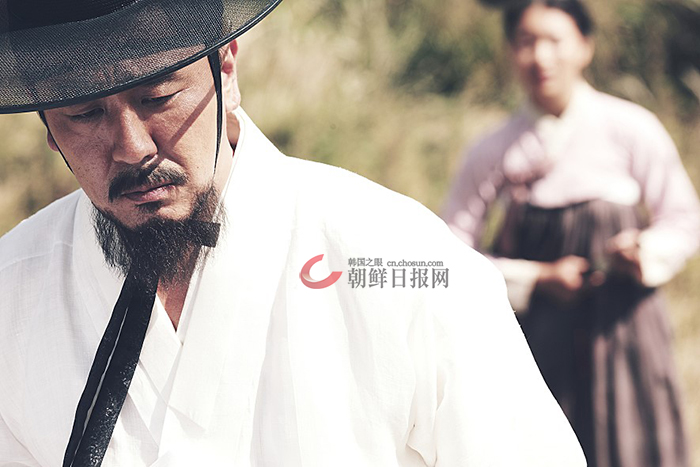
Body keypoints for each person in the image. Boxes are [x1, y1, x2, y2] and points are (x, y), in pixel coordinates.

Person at [0, 0, 587, 465]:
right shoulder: (13, 294)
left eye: (158, 96)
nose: (131, 147)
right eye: (84, 114)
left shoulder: (399, 255)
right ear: (48, 125)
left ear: (226, 70)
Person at [442, 1, 700, 466]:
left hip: (627, 335)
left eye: (555, 41)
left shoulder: (630, 128)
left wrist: (644, 251)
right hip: (536, 346)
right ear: (510, 51)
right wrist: (537, 278)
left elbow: (683, 218)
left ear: (584, 46)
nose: (541, 57)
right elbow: (451, 255)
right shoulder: (493, 150)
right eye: (526, 42)